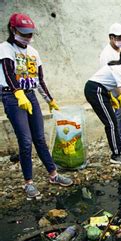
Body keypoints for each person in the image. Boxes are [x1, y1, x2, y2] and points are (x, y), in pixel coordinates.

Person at [0, 13, 73, 199]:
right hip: (11, 96)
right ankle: (28, 183)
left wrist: (50, 100)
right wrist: (17, 93)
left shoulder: (33, 52)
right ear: (13, 29)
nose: (27, 37)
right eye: (23, 33)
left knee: (39, 138)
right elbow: (8, 73)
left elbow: (39, 79)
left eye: (30, 34)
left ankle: (53, 174)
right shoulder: (5, 49)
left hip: (30, 95)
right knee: (25, 140)